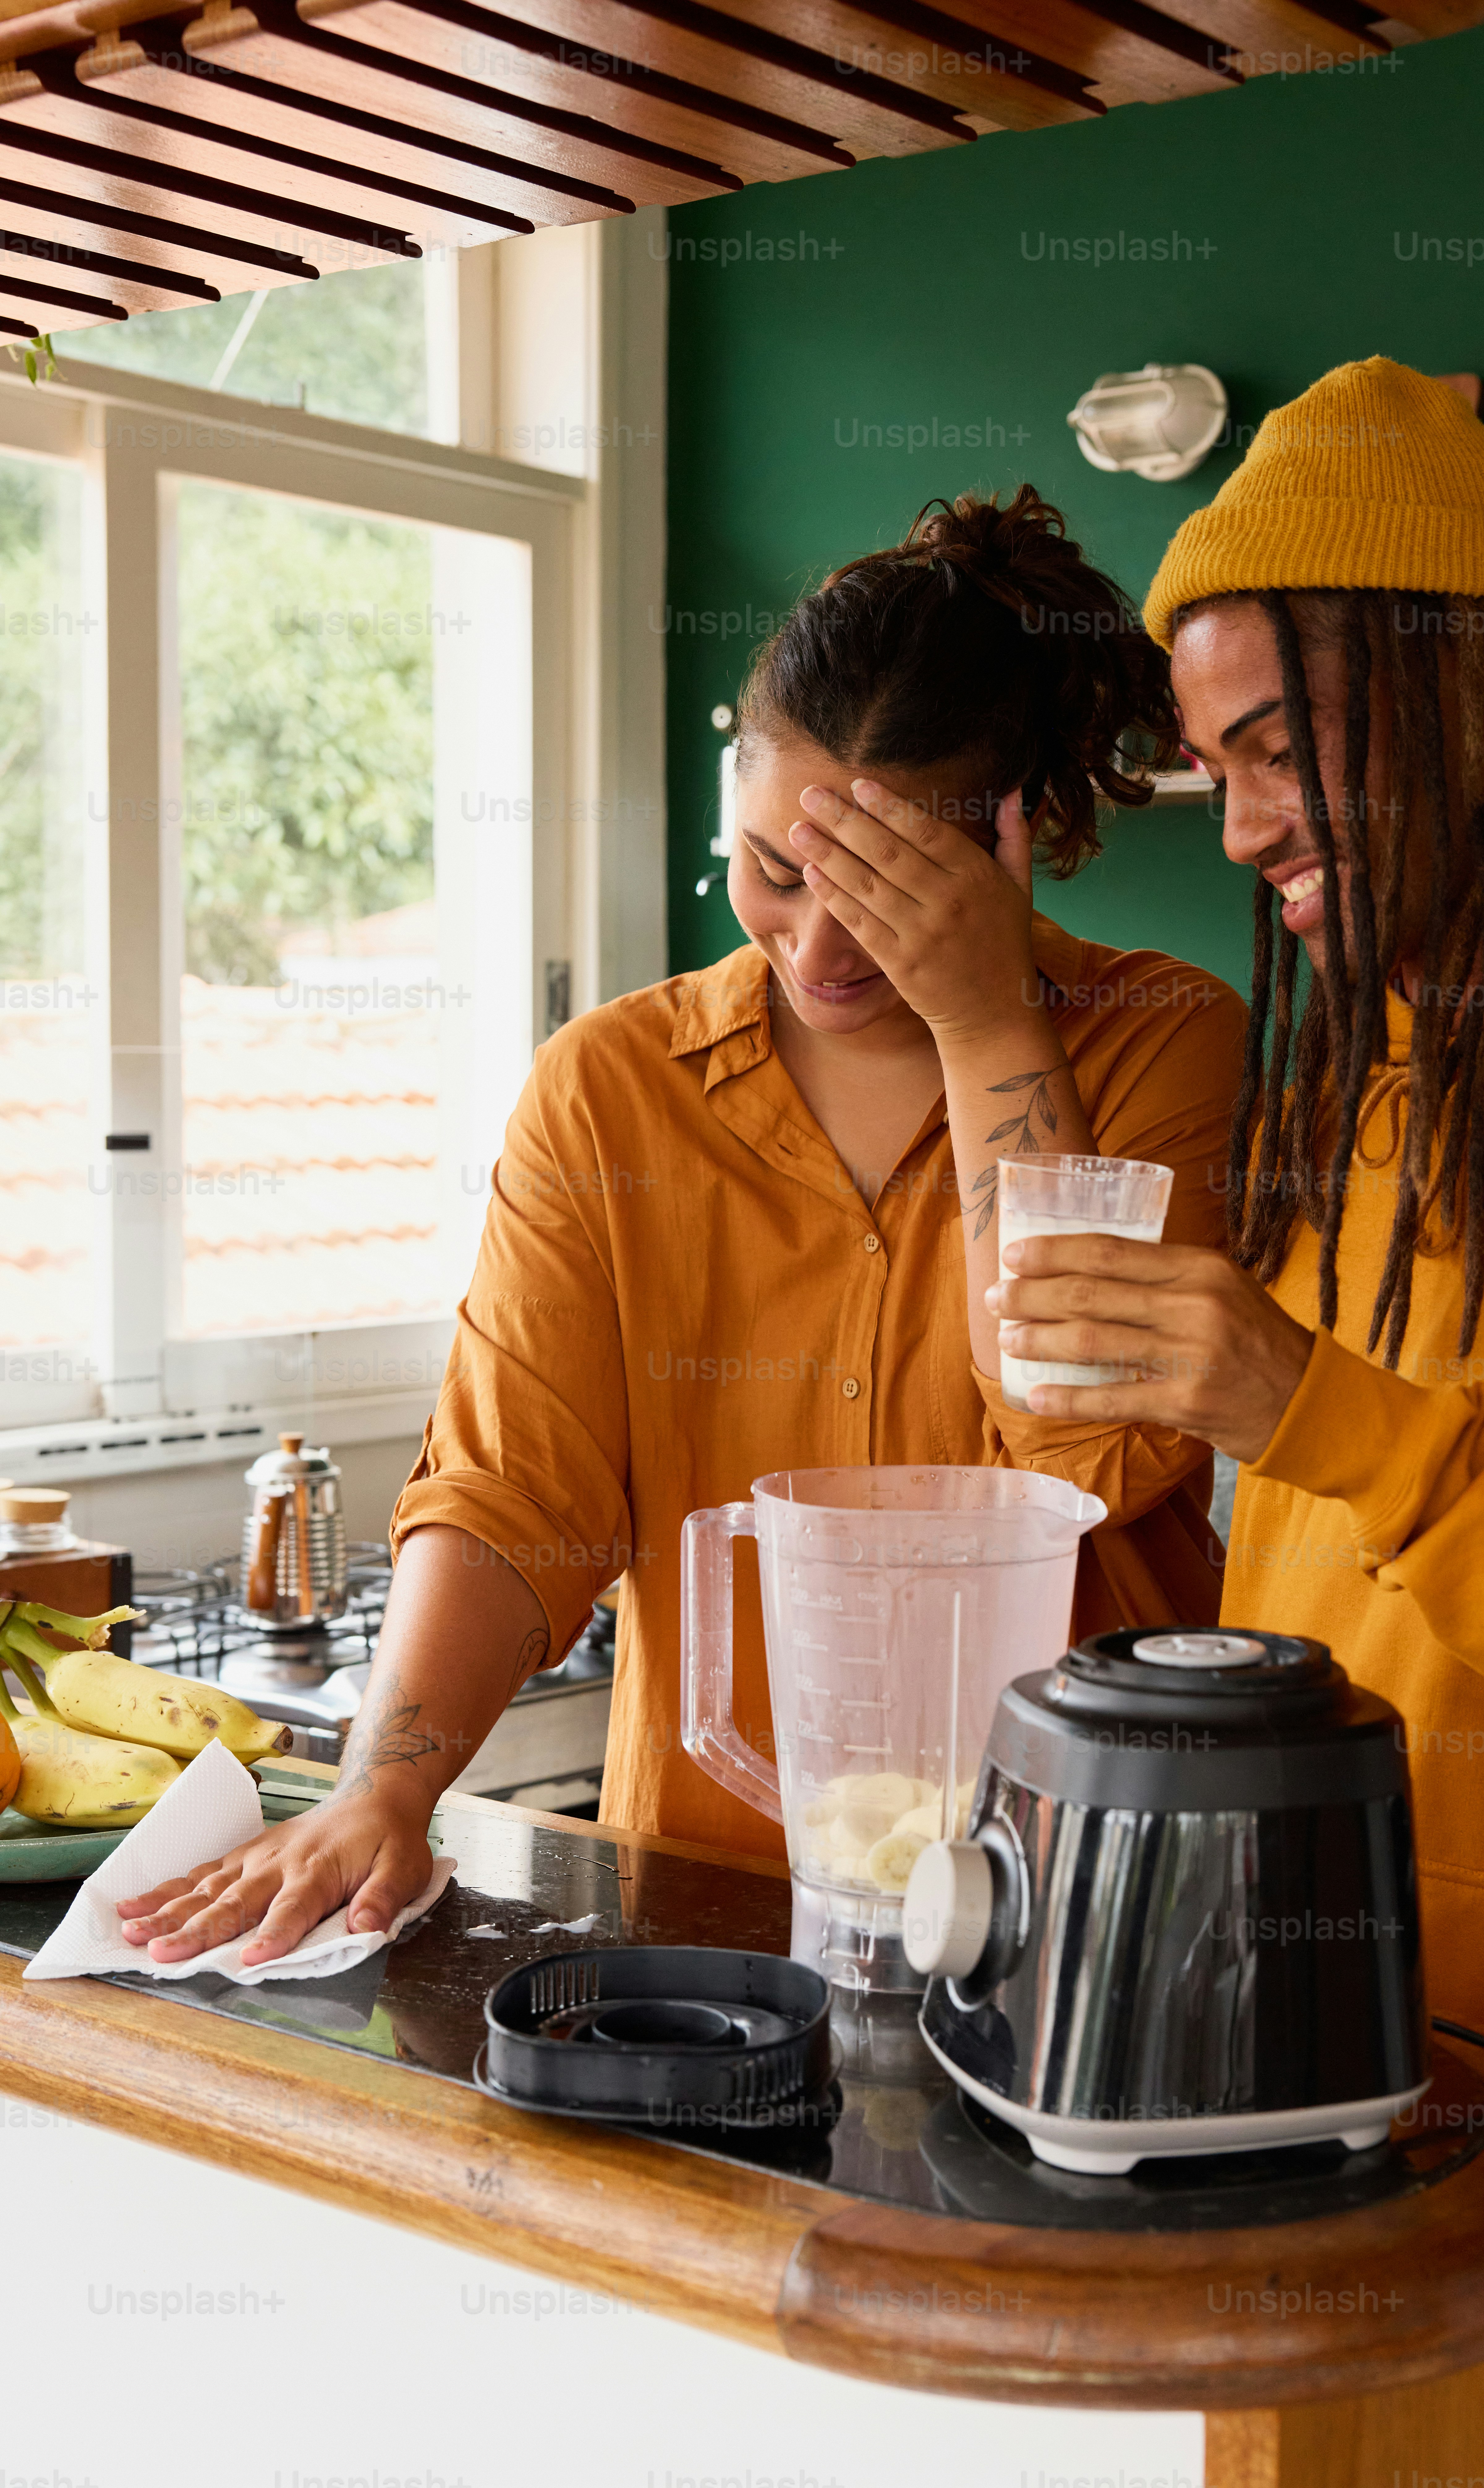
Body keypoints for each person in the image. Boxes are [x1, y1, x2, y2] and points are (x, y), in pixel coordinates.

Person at [118, 485, 1247, 1965]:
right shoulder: (610, 1089)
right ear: (735, 786)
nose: (821, 947)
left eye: (892, 891)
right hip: (707, 1903)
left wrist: (985, 1020)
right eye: (778, 870)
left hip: (1090, 1902)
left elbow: (1087, 1452)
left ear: (1015, 836)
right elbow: (518, 1487)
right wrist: (385, 1784)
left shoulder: (1165, 1038)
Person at [987, 359, 1484, 2483]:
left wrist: (1315, 1406)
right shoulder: (1361, 1113)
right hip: (1311, 2161)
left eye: (1279, 742)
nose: (1246, 821)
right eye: (1210, 771)